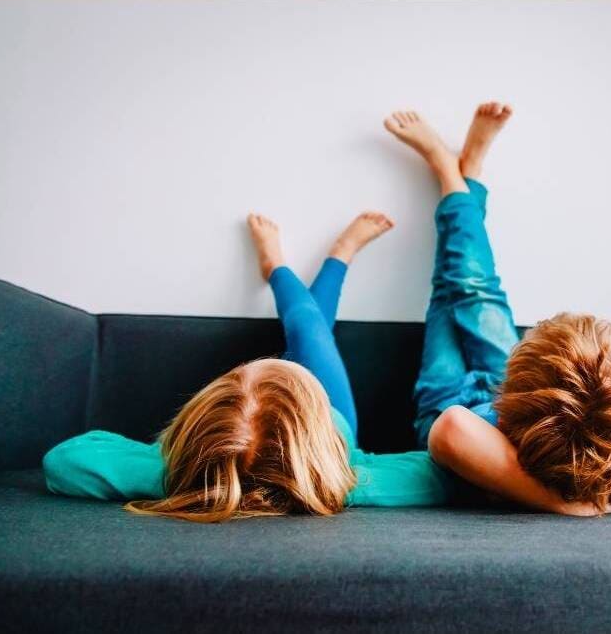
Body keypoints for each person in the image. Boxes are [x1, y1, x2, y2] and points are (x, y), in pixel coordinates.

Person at [384, 102, 611, 516]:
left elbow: (452, 424)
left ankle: (457, 174)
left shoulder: (597, 442)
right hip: (522, 399)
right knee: (469, 288)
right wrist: (600, 487)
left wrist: (554, 500)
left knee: (451, 294)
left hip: (454, 400)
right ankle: (460, 176)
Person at [43, 211, 458, 521]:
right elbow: (448, 475)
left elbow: (65, 460)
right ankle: (331, 257)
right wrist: (323, 478)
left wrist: (192, 476)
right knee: (311, 332)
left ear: (190, 431)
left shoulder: (182, 470)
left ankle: (281, 264)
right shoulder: (346, 477)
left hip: (240, 458)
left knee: (311, 331)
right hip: (334, 430)